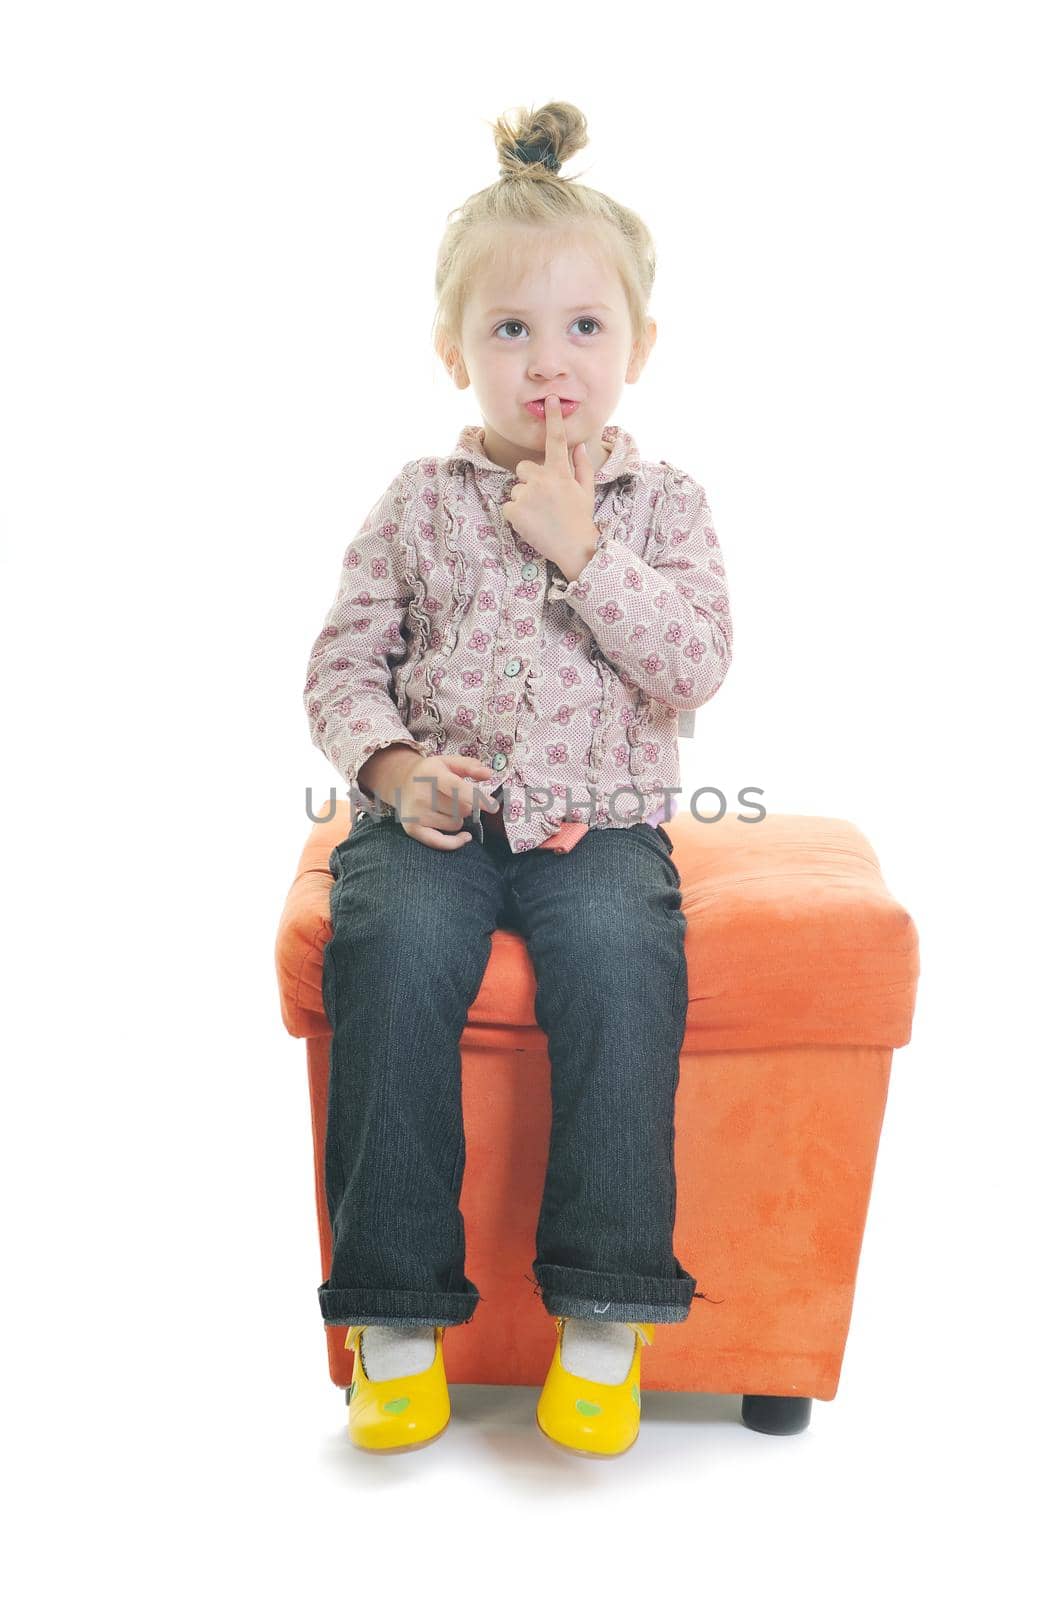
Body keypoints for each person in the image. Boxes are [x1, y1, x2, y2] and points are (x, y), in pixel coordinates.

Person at [305, 100, 733, 1456]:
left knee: (616, 959)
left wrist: (582, 548)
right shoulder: (418, 502)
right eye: (510, 330)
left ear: (639, 347)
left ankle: (604, 1314)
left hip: (599, 826)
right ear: (455, 353)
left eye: (585, 328)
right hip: (438, 818)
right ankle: (393, 1317)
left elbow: (697, 662)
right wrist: (390, 763)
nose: (550, 363)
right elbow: (342, 664)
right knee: (388, 947)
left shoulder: (662, 507)